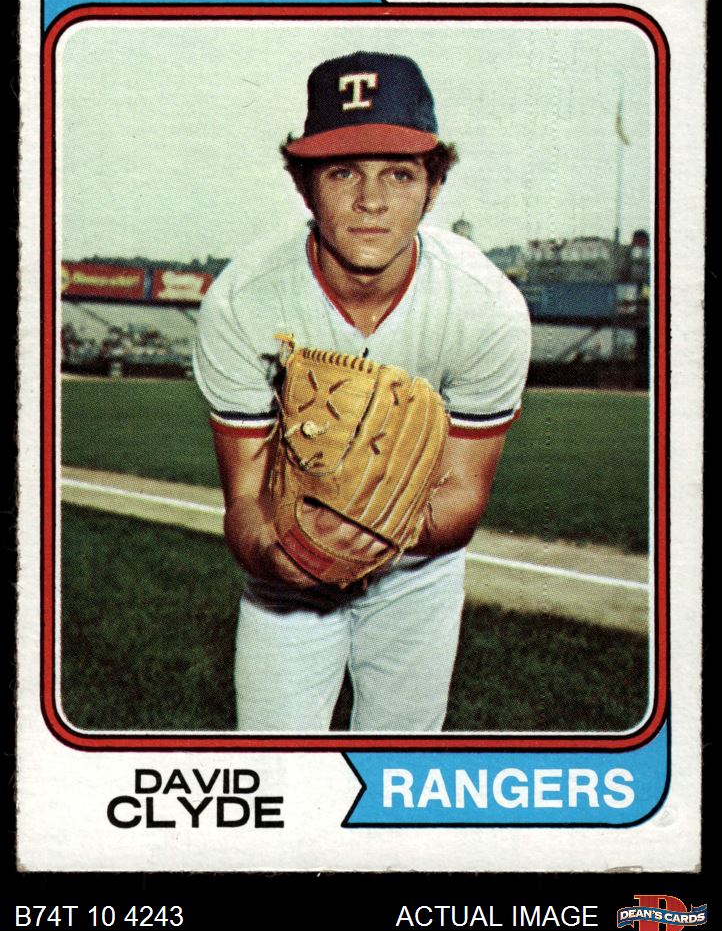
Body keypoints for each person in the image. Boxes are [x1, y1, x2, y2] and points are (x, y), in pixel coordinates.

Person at [193, 50, 531, 732]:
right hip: (288, 570)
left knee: (399, 766)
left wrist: (379, 526)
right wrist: (281, 554)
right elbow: (245, 501)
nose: (370, 200)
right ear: (304, 185)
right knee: (276, 759)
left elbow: (463, 494)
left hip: (418, 572)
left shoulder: (486, 307)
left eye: (399, 173)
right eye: (342, 171)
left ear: (433, 186)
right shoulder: (242, 302)